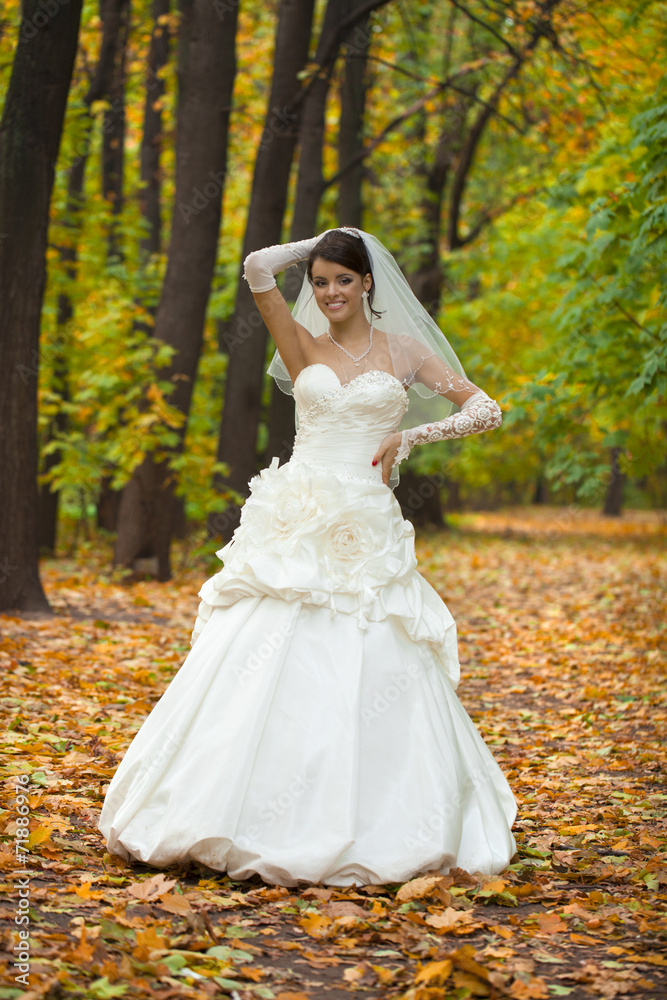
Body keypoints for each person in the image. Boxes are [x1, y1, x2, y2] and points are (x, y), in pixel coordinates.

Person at [98, 227, 517, 887]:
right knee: (260, 648)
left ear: (367, 282)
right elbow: (256, 267)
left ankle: (375, 817)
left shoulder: (406, 351)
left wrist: (410, 435)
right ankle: (225, 813)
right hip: (295, 513)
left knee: (372, 648)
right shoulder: (301, 345)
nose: (329, 293)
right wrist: (318, 245)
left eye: (343, 280)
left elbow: (484, 408)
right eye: (320, 282)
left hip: (363, 518)